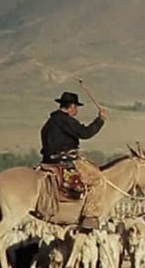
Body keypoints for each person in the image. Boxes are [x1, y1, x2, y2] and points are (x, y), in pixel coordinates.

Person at [39, 91, 110, 229]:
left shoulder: (50, 122)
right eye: (76, 107)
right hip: (64, 161)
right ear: (71, 106)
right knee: (98, 179)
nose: (77, 110)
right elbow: (85, 133)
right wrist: (100, 120)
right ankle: (89, 216)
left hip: (47, 160)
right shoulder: (65, 120)